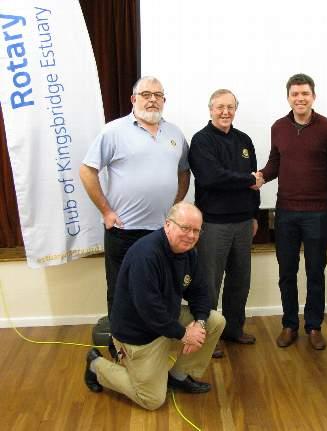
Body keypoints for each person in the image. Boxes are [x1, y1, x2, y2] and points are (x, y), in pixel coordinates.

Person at [84, 202, 225, 410]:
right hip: (139, 334)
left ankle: (178, 376)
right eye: (185, 228)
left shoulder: (189, 253)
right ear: (168, 225)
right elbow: (149, 309)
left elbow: (200, 292)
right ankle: (96, 365)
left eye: (196, 230)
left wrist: (200, 323)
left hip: (165, 323)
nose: (191, 236)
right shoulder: (146, 255)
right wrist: (184, 334)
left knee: (215, 321)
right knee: (152, 400)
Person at [80, 76, 190, 320]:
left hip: (163, 232)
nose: (152, 100)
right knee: (122, 290)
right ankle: (121, 348)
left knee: (161, 290)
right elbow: (87, 170)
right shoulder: (114, 131)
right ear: (133, 99)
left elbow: (184, 172)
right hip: (124, 231)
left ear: (164, 100)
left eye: (158, 95)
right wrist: (106, 212)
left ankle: (157, 345)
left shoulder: (175, 133)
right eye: (146, 95)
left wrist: (174, 207)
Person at [258, 73, 327, 350]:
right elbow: (275, 162)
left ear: (313, 96)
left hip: (318, 213)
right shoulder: (278, 127)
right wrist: (260, 176)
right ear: (288, 97)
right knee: (287, 271)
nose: (300, 99)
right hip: (285, 212)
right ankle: (289, 324)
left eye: (305, 94)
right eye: (295, 94)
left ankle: (314, 326)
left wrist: (321, 193)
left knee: (315, 271)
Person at [188, 89, 261, 358]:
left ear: (235, 109)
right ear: (210, 109)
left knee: (240, 281)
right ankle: (209, 337)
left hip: (243, 223)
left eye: (230, 107)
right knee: (209, 284)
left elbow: (255, 186)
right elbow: (211, 178)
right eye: (220, 107)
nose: (225, 112)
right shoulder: (201, 141)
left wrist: (254, 214)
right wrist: (247, 179)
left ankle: (233, 329)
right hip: (213, 225)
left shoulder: (244, 140)